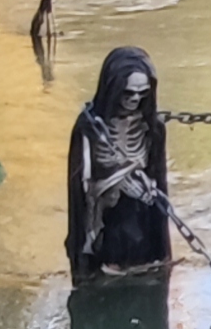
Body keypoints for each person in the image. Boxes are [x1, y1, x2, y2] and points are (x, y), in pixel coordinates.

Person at [66, 48, 169, 278]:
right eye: (128, 92)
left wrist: (148, 189)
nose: (135, 99)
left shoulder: (153, 127)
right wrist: (116, 181)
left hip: (141, 216)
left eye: (142, 93)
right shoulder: (89, 127)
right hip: (104, 214)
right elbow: (81, 184)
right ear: (113, 88)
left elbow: (158, 176)